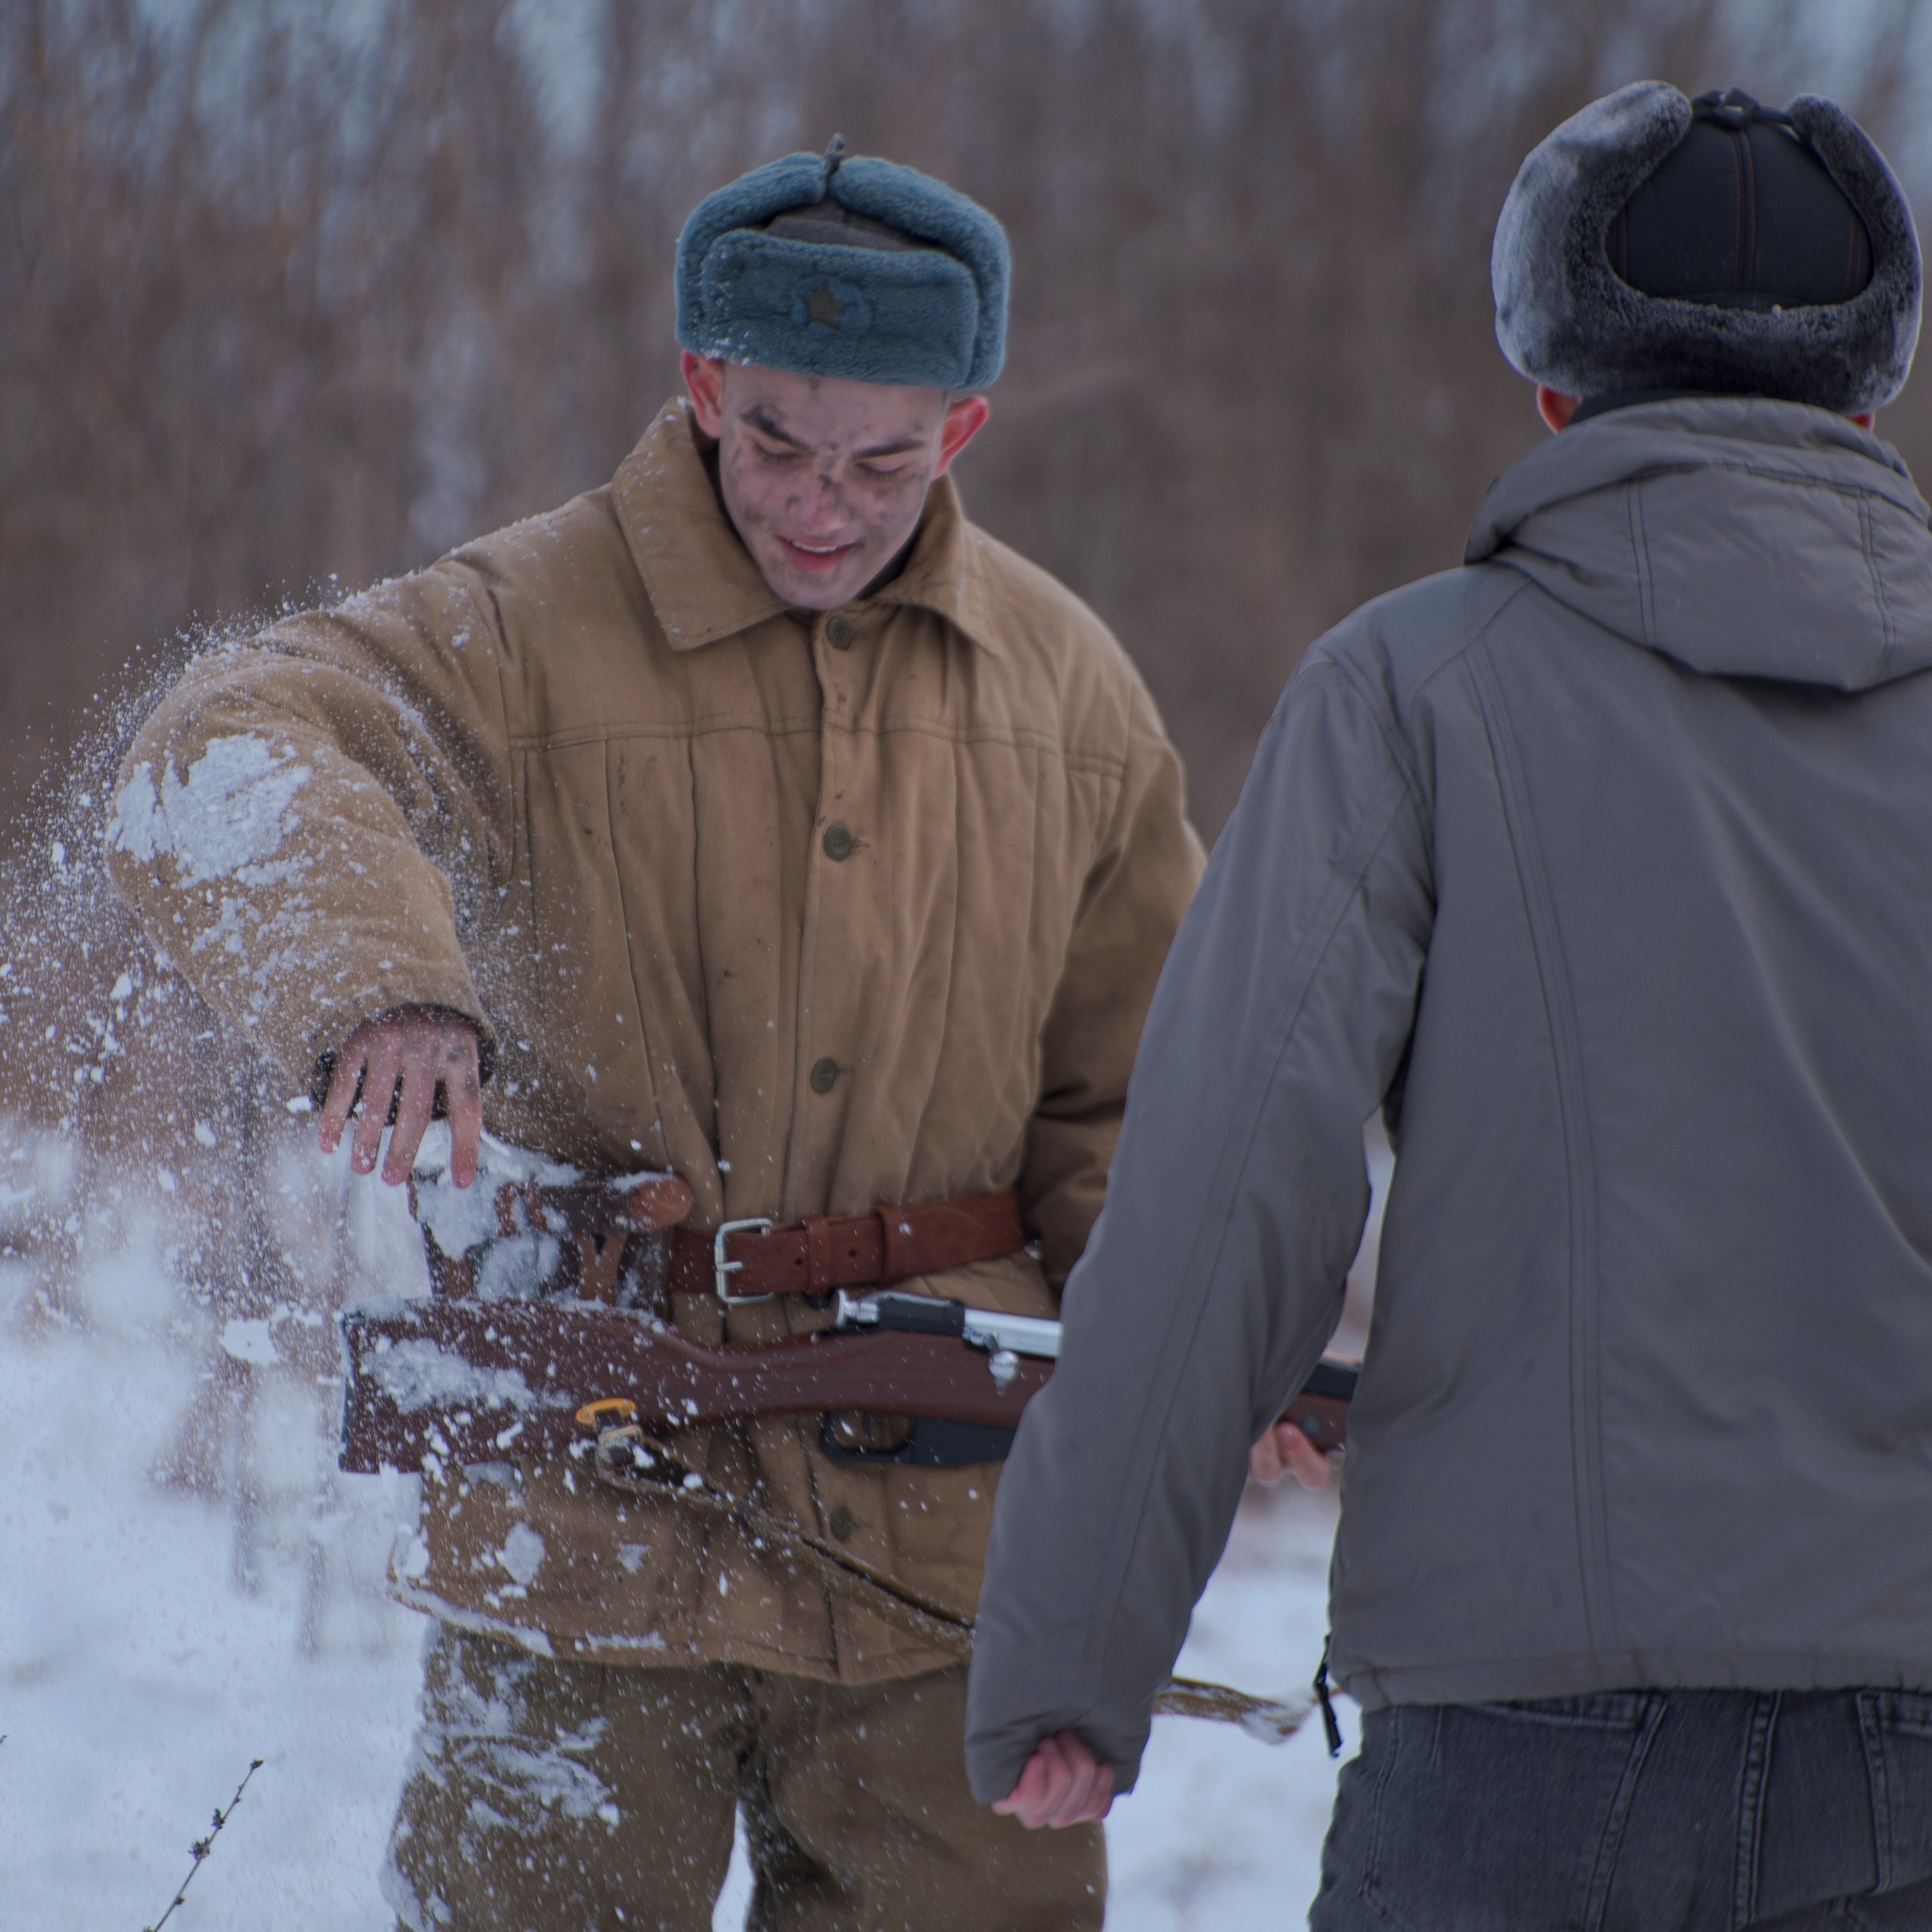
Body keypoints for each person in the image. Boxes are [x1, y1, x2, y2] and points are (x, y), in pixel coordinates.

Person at [106, 140, 1201, 1930]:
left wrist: (1204, 1361)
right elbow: (224, 733)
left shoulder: (1070, 691)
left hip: (952, 1549)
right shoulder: (518, 625)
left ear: (967, 425)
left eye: (882, 457)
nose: (824, 504)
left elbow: (1133, 1108)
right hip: (589, 1521)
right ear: (700, 384)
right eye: (775, 439)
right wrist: (378, 975)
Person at [965, 82, 1932, 1928]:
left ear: (1551, 390)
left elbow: (1226, 1183)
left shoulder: (1409, 688)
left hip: (1525, 1752)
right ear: (1866, 398)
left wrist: (1073, 1655)